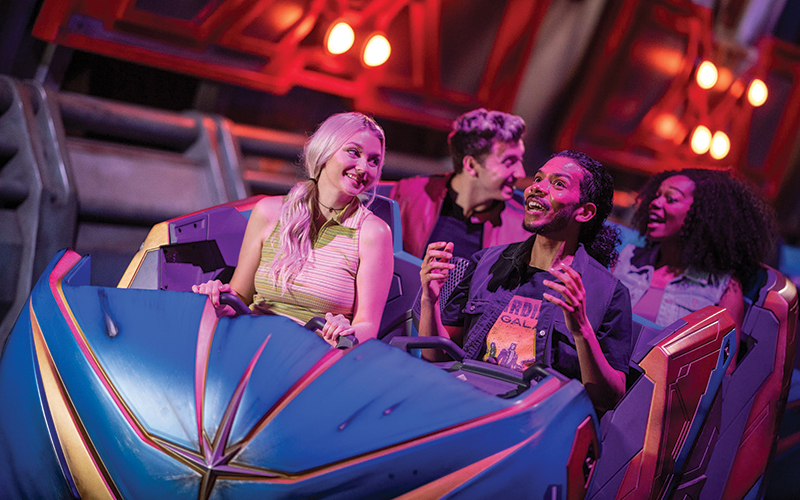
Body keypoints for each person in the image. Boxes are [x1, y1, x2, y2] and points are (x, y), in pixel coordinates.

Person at [419, 150, 633, 412]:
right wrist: (429, 300)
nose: (537, 188)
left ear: (585, 212)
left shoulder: (610, 293)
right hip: (465, 406)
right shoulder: (486, 262)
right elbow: (437, 356)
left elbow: (608, 398)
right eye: (539, 178)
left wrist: (581, 330)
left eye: (558, 183)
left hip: (535, 424)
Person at [193, 112, 394, 346]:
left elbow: (367, 325)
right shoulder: (268, 212)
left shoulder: (374, 233)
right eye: (354, 152)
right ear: (326, 149)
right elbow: (239, 297)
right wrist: (216, 296)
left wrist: (347, 331)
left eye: (373, 161)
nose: (363, 168)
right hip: (251, 344)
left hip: (314, 356)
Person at [612, 168, 777, 365]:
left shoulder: (723, 289)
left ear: (703, 214)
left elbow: (723, 372)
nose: (655, 203)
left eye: (671, 199)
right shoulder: (626, 258)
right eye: (656, 197)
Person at [389, 108, 531, 260]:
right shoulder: (406, 196)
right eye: (509, 162)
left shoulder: (523, 227)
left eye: (519, 161)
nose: (520, 173)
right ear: (471, 165)